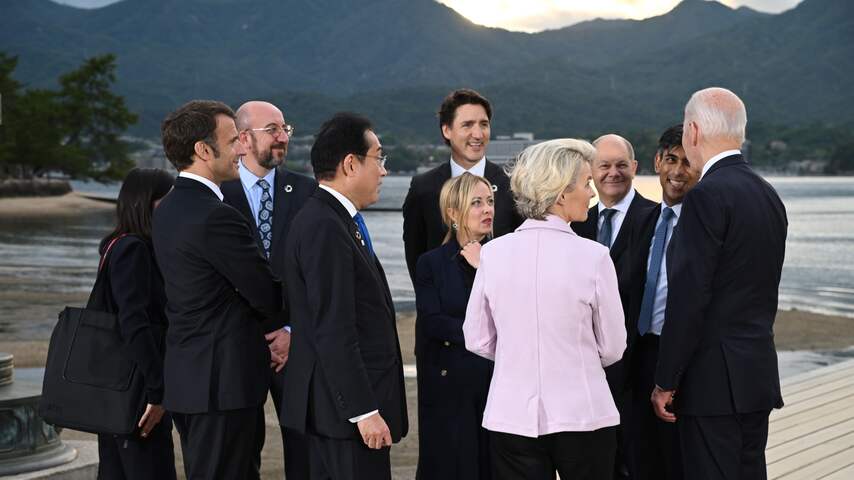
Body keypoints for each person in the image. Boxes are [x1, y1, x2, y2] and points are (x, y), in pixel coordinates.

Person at [464, 139, 626, 479]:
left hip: (511, 414)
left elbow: (476, 338)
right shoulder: (595, 257)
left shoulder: (493, 254)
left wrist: (517, 355)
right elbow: (613, 347)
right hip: (584, 413)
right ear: (562, 194)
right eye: (586, 183)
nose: (592, 193)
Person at [651, 88, 787, 480]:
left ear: (693, 131)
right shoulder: (767, 194)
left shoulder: (705, 196)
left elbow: (689, 299)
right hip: (755, 374)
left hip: (711, 384)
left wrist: (666, 379)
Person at [153, 100, 285, 479]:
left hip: (189, 378)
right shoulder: (216, 216)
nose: (243, 148)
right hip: (223, 383)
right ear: (203, 150)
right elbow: (267, 293)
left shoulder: (167, 208)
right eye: (232, 141)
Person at [280, 112, 408, 480]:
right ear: (350, 164)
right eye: (379, 158)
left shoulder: (334, 220)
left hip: (339, 412)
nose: (384, 170)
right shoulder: (324, 225)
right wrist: (363, 411)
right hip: (343, 416)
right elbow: (333, 328)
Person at [222, 100, 317, 479]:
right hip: (236, 346)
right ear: (243, 138)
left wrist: (293, 330)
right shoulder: (217, 194)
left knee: (305, 450)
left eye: (285, 129)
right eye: (273, 130)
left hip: (295, 345)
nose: (283, 137)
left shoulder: (308, 192)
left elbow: (316, 273)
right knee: (240, 452)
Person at [570, 132, 656, 479]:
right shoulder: (577, 223)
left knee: (640, 463)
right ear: (590, 170)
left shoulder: (656, 218)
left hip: (640, 367)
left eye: (621, 165)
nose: (612, 173)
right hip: (588, 370)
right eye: (604, 165)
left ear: (634, 167)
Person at [624, 125, 698, 480]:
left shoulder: (702, 226)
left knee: (677, 461)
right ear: (657, 162)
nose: (678, 171)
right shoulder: (643, 220)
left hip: (682, 361)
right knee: (640, 458)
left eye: (688, 162)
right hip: (638, 355)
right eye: (671, 160)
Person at [96, 167, 177, 480]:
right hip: (135, 387)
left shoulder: (118, 244)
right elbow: (134, 323)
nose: (173, 206)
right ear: (146, 202)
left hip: (118, 384)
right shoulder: (134, 249)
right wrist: (157, 391)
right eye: (167, 199)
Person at [414, 172, 495, 480]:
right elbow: (433, 322)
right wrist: (486, 333)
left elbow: (514, 316)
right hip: (449, 387)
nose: (487, 209)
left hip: (496, 384)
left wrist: (483, 268)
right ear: (452, 213)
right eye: (476, 203)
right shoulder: (431, 263)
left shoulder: (503, 258)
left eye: (490, 201)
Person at [402, 88, 522, 286]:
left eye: (484, 124)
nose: (478, 134)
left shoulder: (512, 185)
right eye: (467, 125)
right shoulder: (423, 188)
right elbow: (415, 255)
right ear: (447, 130)